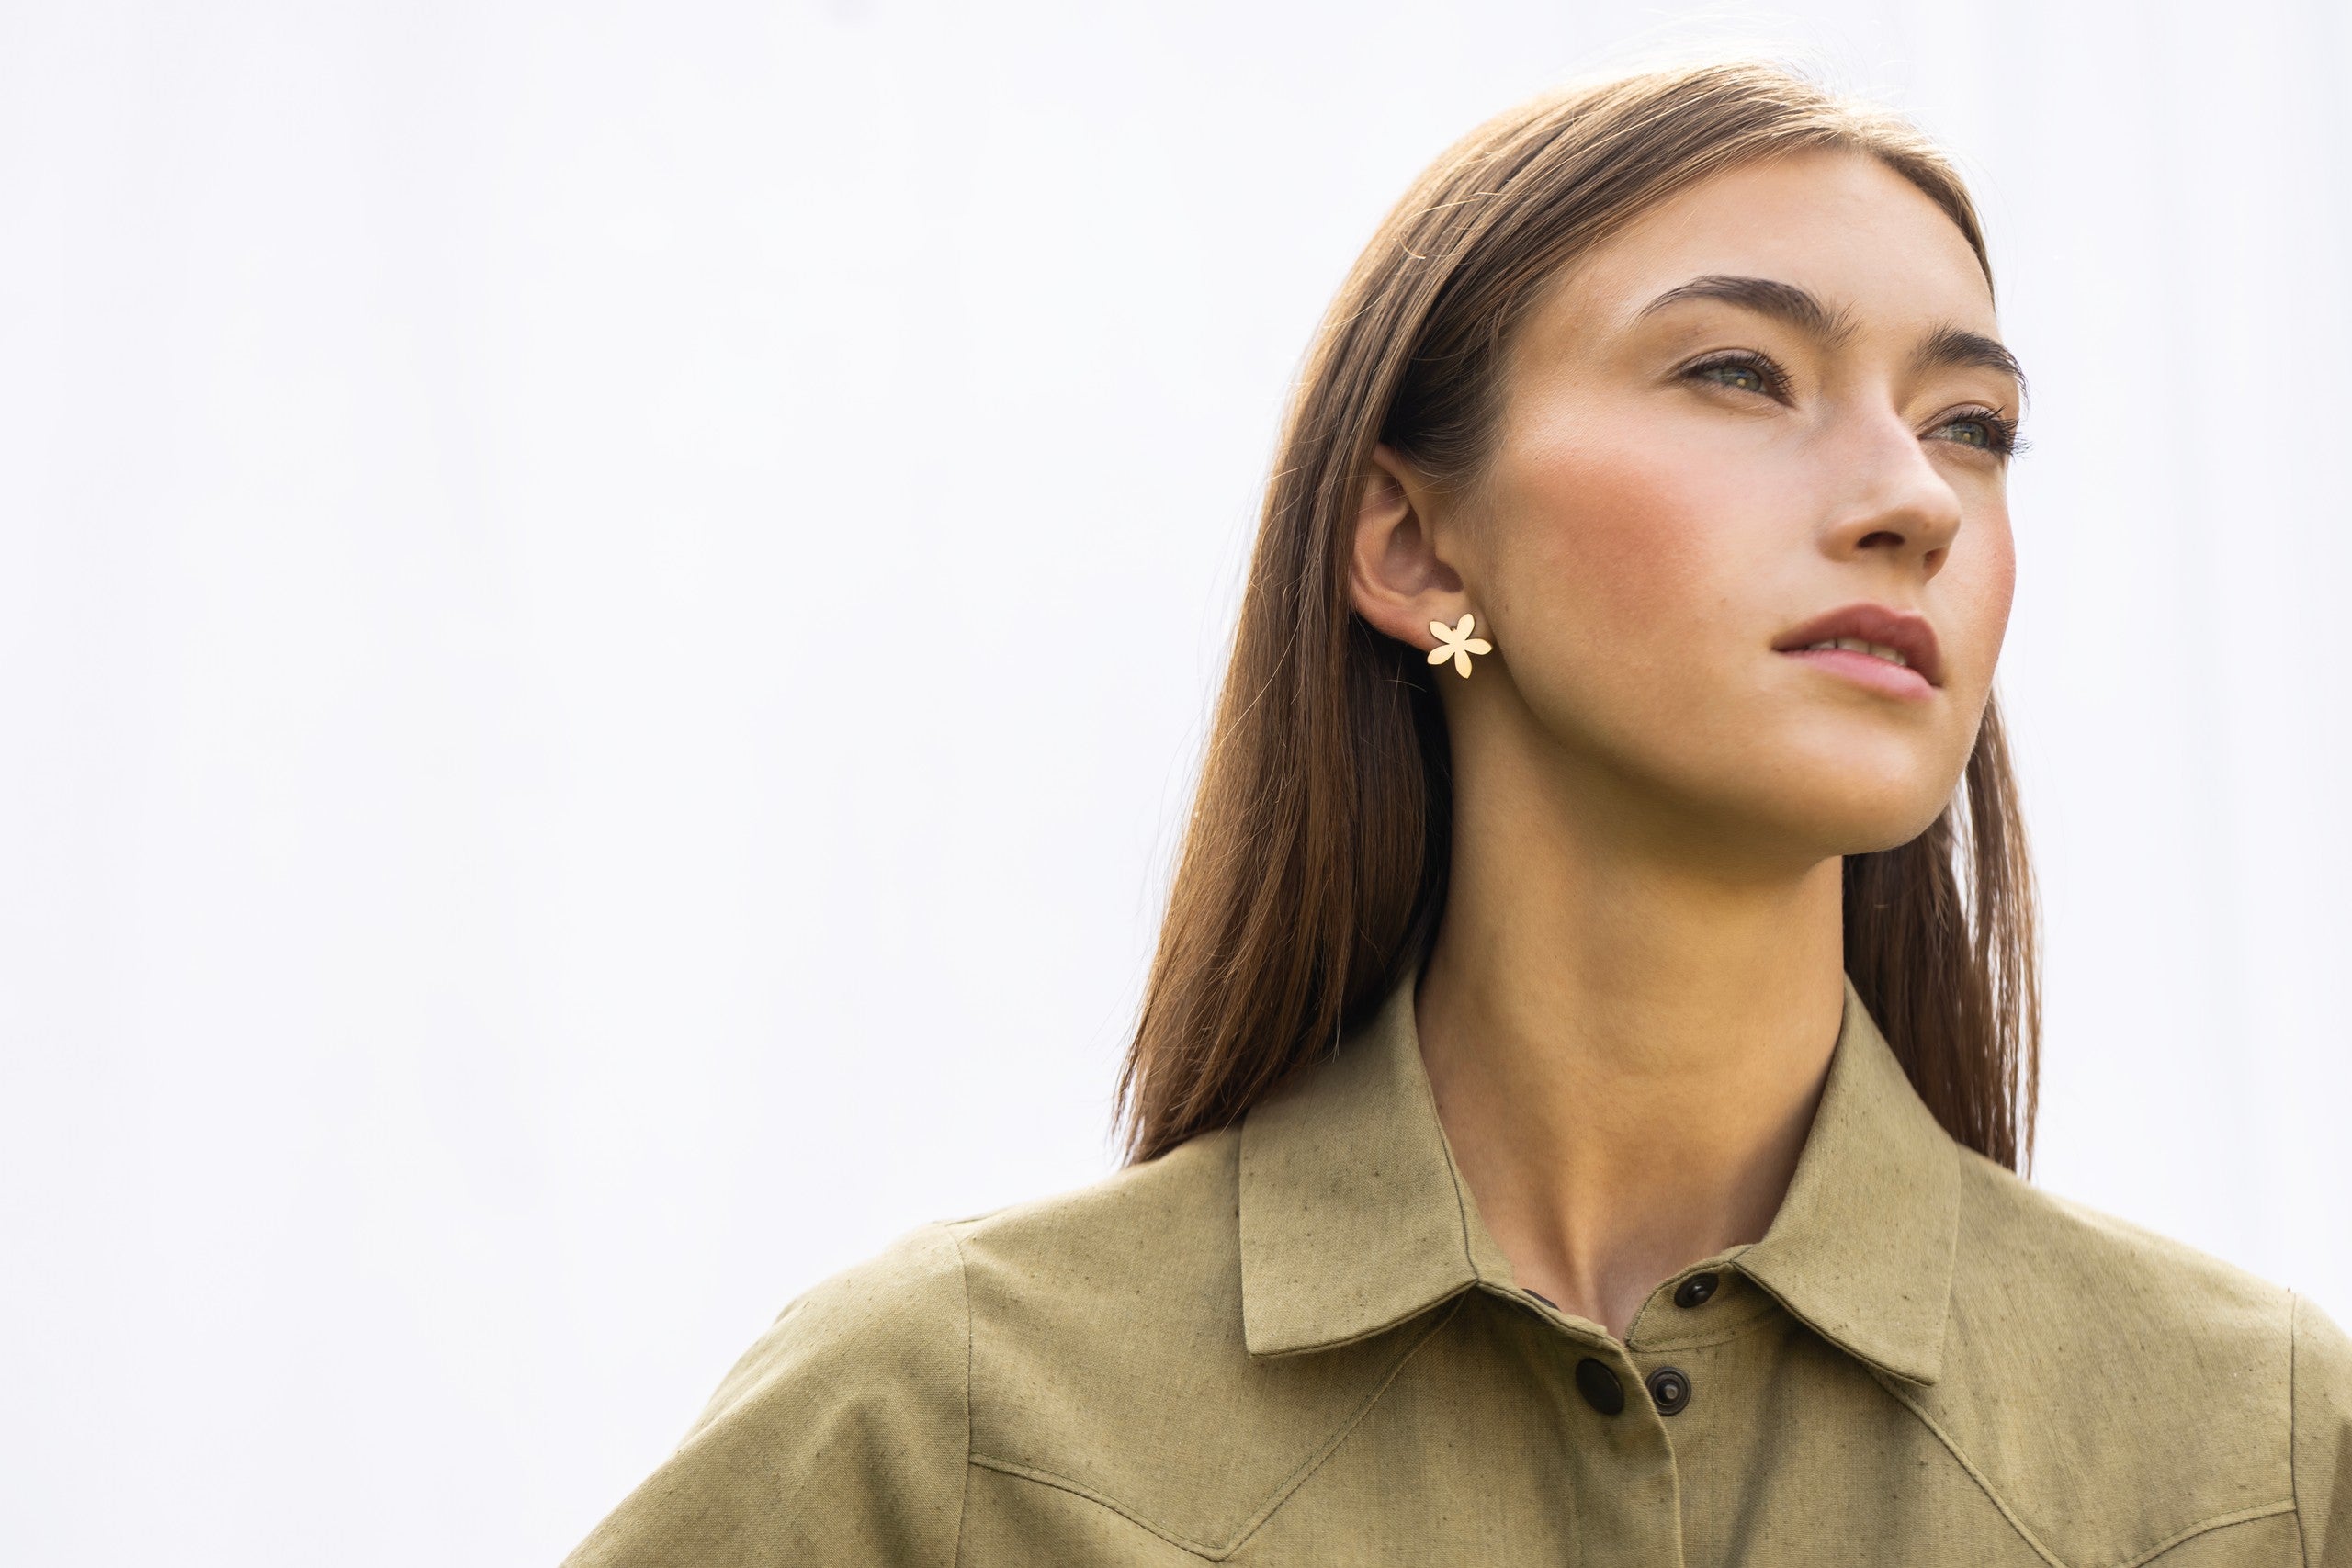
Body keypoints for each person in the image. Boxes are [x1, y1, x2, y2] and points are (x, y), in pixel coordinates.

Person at [560, 58, 2351, 1566]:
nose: (1911, 497)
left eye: (1970, 423)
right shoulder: (947, 1429)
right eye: (1736, 371)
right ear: (1413, 546)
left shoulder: (2249, 1460)